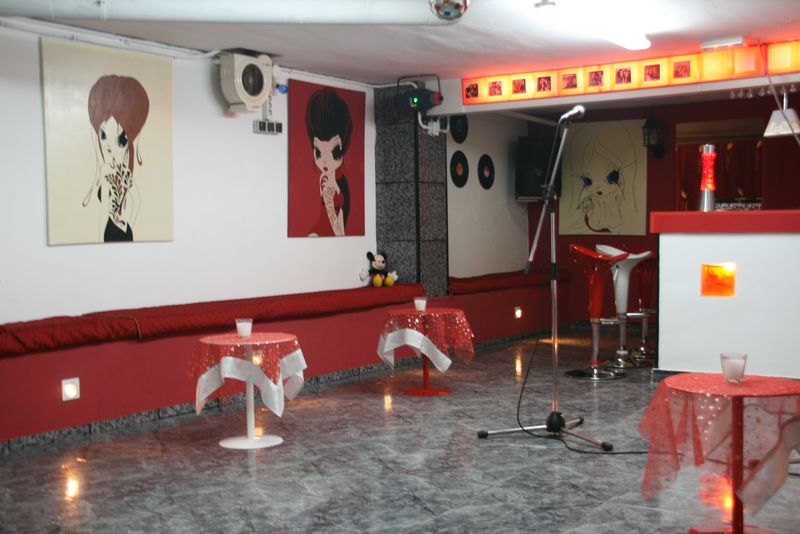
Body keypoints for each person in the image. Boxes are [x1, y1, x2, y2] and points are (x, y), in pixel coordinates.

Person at [83, 75, 149, 242]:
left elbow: (104, 211)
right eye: (104, 135)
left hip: (110, 232)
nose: (110, 145)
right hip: (125, 229)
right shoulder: (125, 172)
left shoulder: (107, 170)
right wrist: (126, 222)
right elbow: (136, 200)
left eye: (120, 139)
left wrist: (100, 241)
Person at [305, 87, 352, 236]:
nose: (325, 161)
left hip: (333, 237)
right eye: (319, 152)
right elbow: (333, 221)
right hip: (321, 234)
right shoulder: (325, 182)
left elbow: (340, 219)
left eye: (334, 152)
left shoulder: (340, 182)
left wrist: (342, 238)